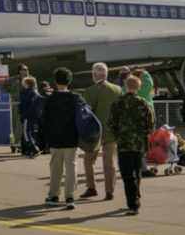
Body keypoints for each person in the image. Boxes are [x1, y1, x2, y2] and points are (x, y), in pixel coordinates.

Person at [107, 74, 156, 215]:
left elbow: (111, 123)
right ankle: (136, 195)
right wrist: (144, 134)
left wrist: (117, 135)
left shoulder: (118, 103)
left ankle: (133, 203)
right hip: (139, 143)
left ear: (126, 86)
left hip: (124, 143)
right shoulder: (143, 103)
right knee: (137, 171)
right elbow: (151, 124)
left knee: (127, 174)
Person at [39, 67, 81, 210]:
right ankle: (70, 196)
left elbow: (44, 121)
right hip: (72, 137)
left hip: (55, 138)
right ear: (69, 81)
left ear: (55, 81)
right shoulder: (75, 98)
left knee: (56, 167)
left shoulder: (50, 100)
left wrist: (41, 141)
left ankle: (54, 195)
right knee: (71, 167)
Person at [81, 62, 122, 200]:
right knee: (110, 162)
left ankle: (91, 187)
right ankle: (110, 191)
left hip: (95, 132)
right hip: (112, 131)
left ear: (95, 75)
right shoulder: (117, 90)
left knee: (88, 159)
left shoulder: (90, 91)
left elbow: (87, 113)